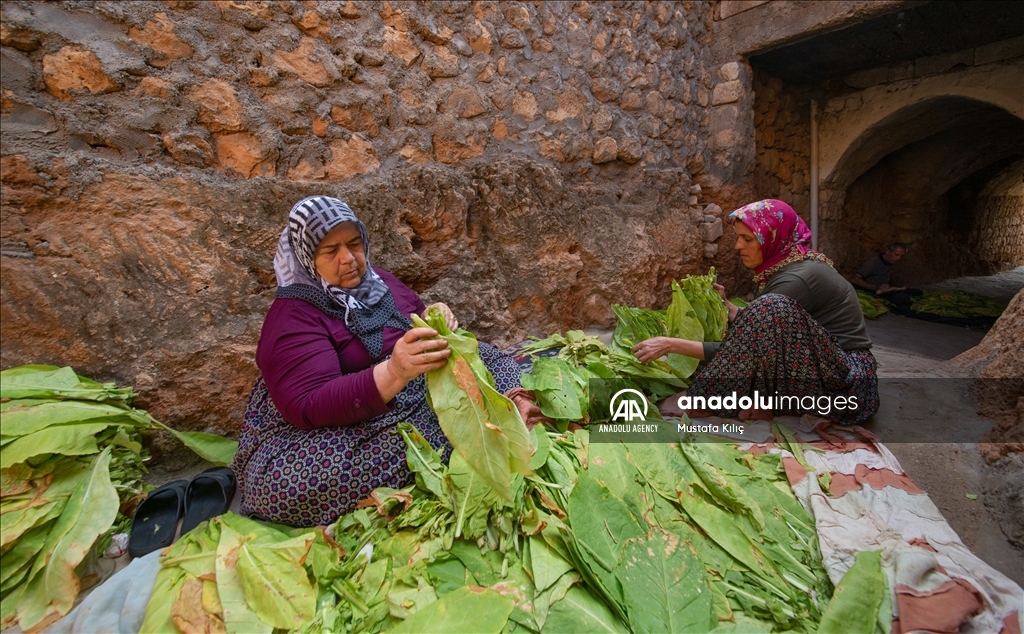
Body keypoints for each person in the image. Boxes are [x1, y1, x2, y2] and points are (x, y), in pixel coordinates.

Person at [232, 196, 527, 527]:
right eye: (331, 251)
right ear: (306, 256)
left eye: (354, 243)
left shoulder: (378, 281)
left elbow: (413, 314)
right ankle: (491, 424)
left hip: (416, 390)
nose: (348, 259)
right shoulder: (292, 319)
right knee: (293, 484)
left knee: (510, 367)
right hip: (340, 427)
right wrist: (394, 371)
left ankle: (593, 426)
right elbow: (308, 403)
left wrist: (433, 317)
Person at [632, 199, 879, 425]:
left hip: (846, 385)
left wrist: (670, 344)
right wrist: (730, 309)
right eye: (739, 237)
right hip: (823, 366)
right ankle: (764, 404)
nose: (738, 246)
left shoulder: (797, 279)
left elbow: (746, 347)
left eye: (748, 239)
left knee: (769, 309)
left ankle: (702, 399)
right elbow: (771, 332)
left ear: (772, 238)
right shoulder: (789, 264)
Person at [851, 243, 922, 309]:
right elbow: (855, 279)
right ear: (888, 251)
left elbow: (886, 275)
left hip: (886, 290)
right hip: (873, 292)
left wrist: (897, 287)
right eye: (896, 255)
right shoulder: (873, 262)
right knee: (903, 298)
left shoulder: (889, 261)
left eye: (901, 256)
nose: (899, 258)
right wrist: (875, 287)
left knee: (917, 292)